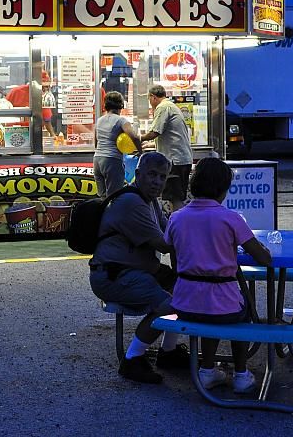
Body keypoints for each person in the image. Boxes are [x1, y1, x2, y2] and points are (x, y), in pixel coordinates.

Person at [164, 157, 272, 393]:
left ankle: (207, 370)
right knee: (243, 313)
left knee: (208, 311)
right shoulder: (231, 218)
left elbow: (172, 250)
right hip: (222, 302)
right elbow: (263, 258)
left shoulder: (176, 217)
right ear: (223, 188)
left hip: (184, 301)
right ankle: (242, 374)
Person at [88, 152, 187, 384]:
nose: (157, 182)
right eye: (152, 175)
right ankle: (132, 359)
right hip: (113, 275)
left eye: (162, 177)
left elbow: (168, 231)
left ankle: (168, 352)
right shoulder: (132, 202)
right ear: (138, 174)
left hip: (132, 270)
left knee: (183, 290)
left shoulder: (149, 200)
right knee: (171, 303)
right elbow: (164, 243)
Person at [140, 85, 194, 210]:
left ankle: (176, 226)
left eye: (149, 100)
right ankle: (175, 224)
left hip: (175, 160)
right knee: (175, 198)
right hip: (181, 159)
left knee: (175, 198)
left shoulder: (163, 107)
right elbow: (171, 137)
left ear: (153, 97)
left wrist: (137, 138)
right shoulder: (171, 106)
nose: (150, 104)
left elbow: (155, 132)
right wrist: (151, 145)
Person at [93, 91, 142, 197]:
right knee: (114, 196)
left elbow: (96, 142)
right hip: (112, 160)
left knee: (102, 196)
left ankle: (102, 213)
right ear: (121, 105)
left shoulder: (99, 120)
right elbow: (134, 137)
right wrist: (140, 151)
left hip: (97, 160)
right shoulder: (121, 121)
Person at [6, 60, 56, 137]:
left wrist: (53, 135)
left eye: (47, 87)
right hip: (12, 133)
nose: (45, 89)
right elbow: (4, 115)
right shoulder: (16, 92)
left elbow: (47, 119)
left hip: (34, 134)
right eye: (43, 86)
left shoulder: (44, 97)